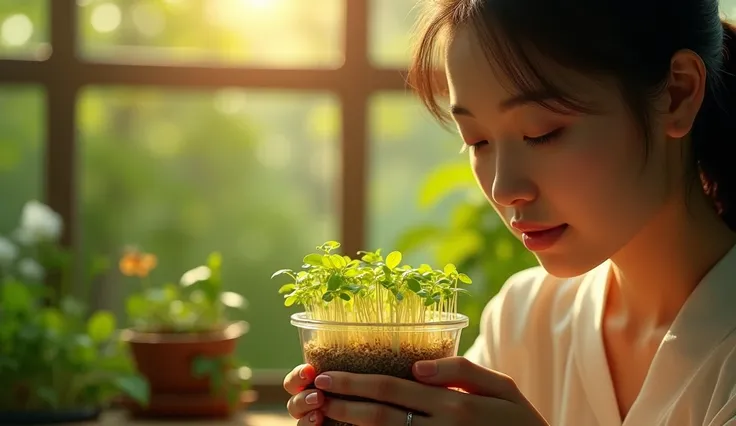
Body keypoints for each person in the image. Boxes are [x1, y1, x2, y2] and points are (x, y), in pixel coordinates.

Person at [283, 0, 736, 424]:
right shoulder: (526, 317)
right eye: (477, 141)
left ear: (677, 94)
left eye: (542, 133)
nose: (504, 189)